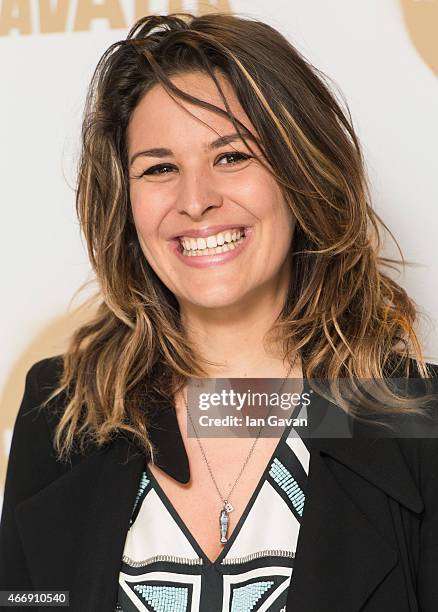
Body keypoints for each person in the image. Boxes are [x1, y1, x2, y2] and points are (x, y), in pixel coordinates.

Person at [1, 11, 438, 612]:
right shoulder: (63, 411)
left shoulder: (414, 421)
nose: (197, 200)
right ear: (125, 205)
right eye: (159, 168)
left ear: (300, 173)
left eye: (231, 156)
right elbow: (29, 601)